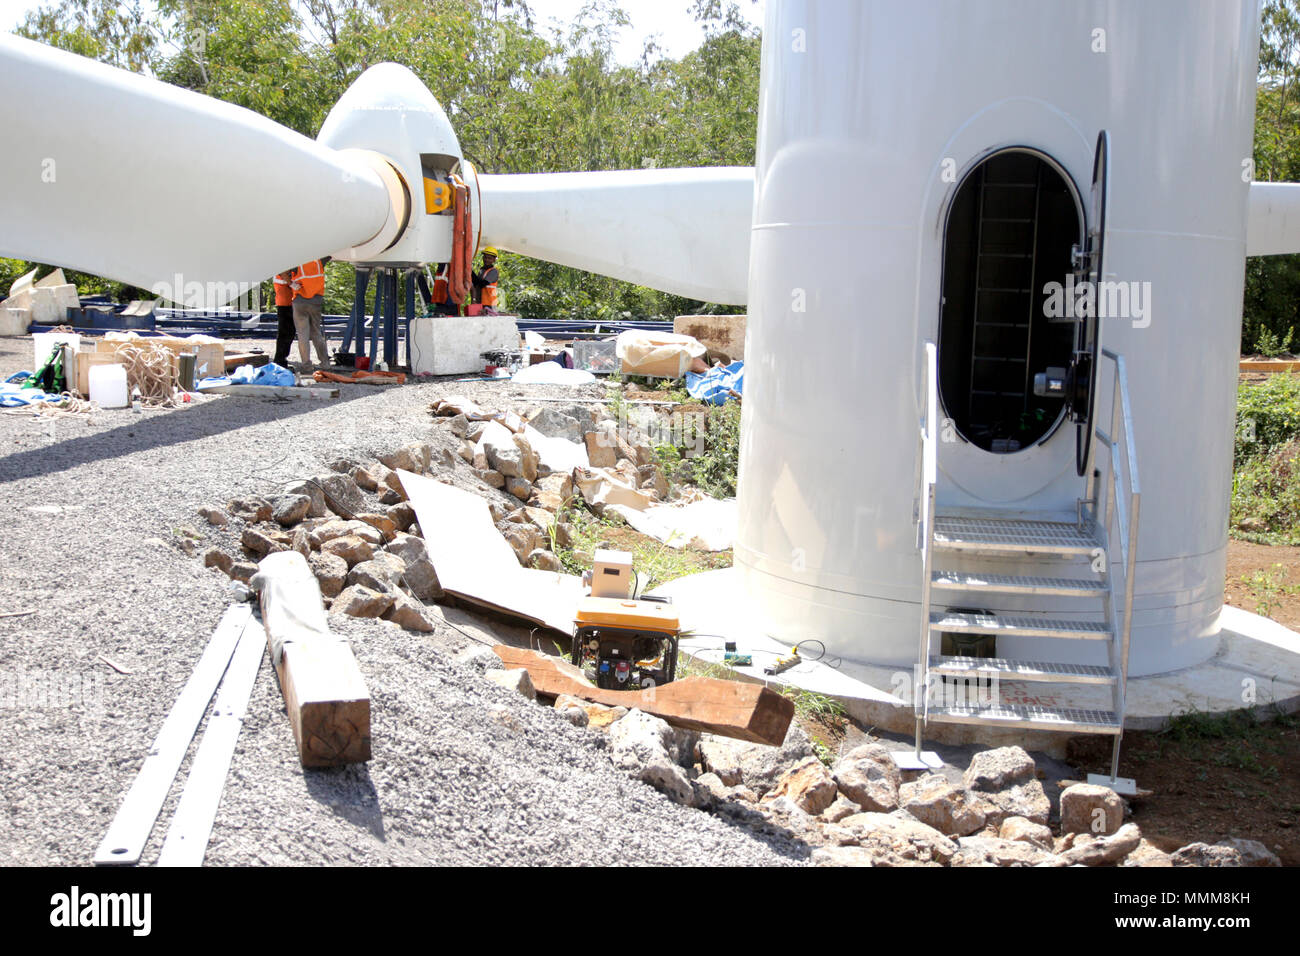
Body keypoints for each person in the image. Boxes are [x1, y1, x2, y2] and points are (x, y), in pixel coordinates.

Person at [290, 257, 330, 368]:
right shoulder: (318, 261)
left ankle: (306, 365)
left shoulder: (297, 262)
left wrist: (291, 283)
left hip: (300, 300)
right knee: (316, 333)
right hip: (316, 300)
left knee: (303, 334)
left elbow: (282, 272)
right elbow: (329, 256)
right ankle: (325, 363)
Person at [271, 269, 296, 366]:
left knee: (288, 333)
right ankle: (280, 360)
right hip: (285, 304)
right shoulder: (282, 269)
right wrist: (292, 284)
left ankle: (281, 359)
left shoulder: (284, 270)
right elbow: (283, 274)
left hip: (286, 303)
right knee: (286, 333)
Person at [472, 246, 500, 314]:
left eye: (489, 258)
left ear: (494, 260)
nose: (486, 260)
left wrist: (470, 271)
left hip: (490, 305)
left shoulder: (493, 271)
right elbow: (476, 284)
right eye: (485, 257)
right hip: (480, 303)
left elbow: (482, 284)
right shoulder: (482, 270)